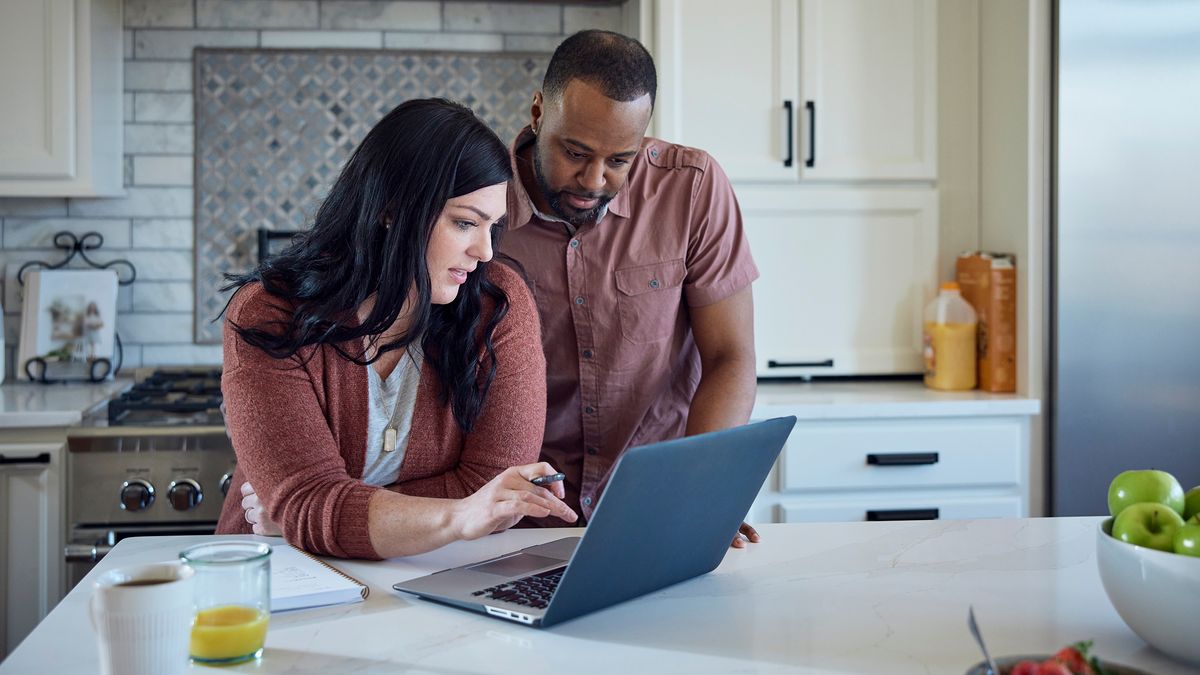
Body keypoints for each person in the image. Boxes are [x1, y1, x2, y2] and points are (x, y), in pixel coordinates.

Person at [218, 98, 576, 560]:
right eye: (465, 223)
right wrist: (313, 509)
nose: (485, 251)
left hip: (435, 574)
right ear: (391, 207)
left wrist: (325, 511)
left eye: (493, 226)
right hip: (279, 579)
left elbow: (494, 491)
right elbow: (310, 503)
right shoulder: (268, 315)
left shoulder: (499, 305)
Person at [501, 31, 761, 546]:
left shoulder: (692, 187)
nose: (594, 179)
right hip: (517, 519)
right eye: (575, 152)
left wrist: (700, 490)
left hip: (654, 510)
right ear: (537, 112)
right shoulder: (481, 203)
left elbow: (731, 356)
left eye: (620, 160)